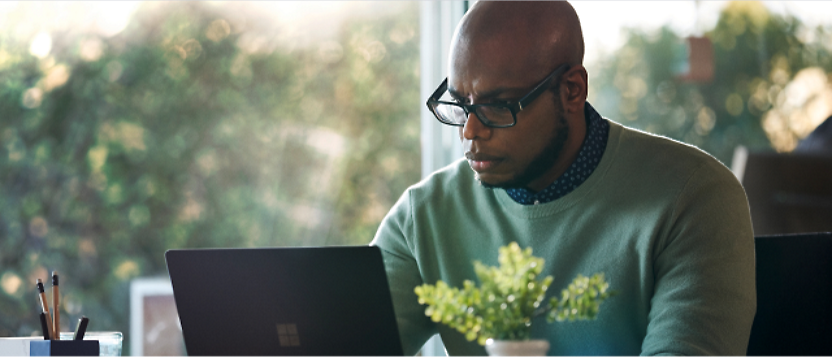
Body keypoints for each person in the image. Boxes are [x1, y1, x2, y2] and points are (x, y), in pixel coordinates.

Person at [371, 2, 756, 355]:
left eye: (497, 106)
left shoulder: (693, 196)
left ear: (572, 90)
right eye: (460, 103)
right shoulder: (423, 216)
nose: (470, 131)